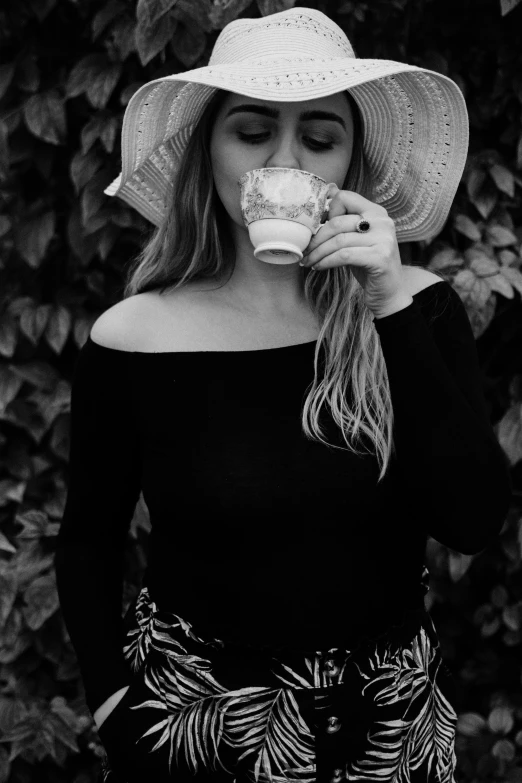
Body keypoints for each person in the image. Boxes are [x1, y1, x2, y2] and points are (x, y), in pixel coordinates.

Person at [54, 7, 512, 783]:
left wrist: (387, 302)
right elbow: (88, 540)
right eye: (254, 132)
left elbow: (471, 520)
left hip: (389, 727)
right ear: (211, 151)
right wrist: (112, 706)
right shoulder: (136, 335)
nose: (286, 162)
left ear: (347, 166)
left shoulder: (415, 307)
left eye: (320, 139)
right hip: (193, 722)